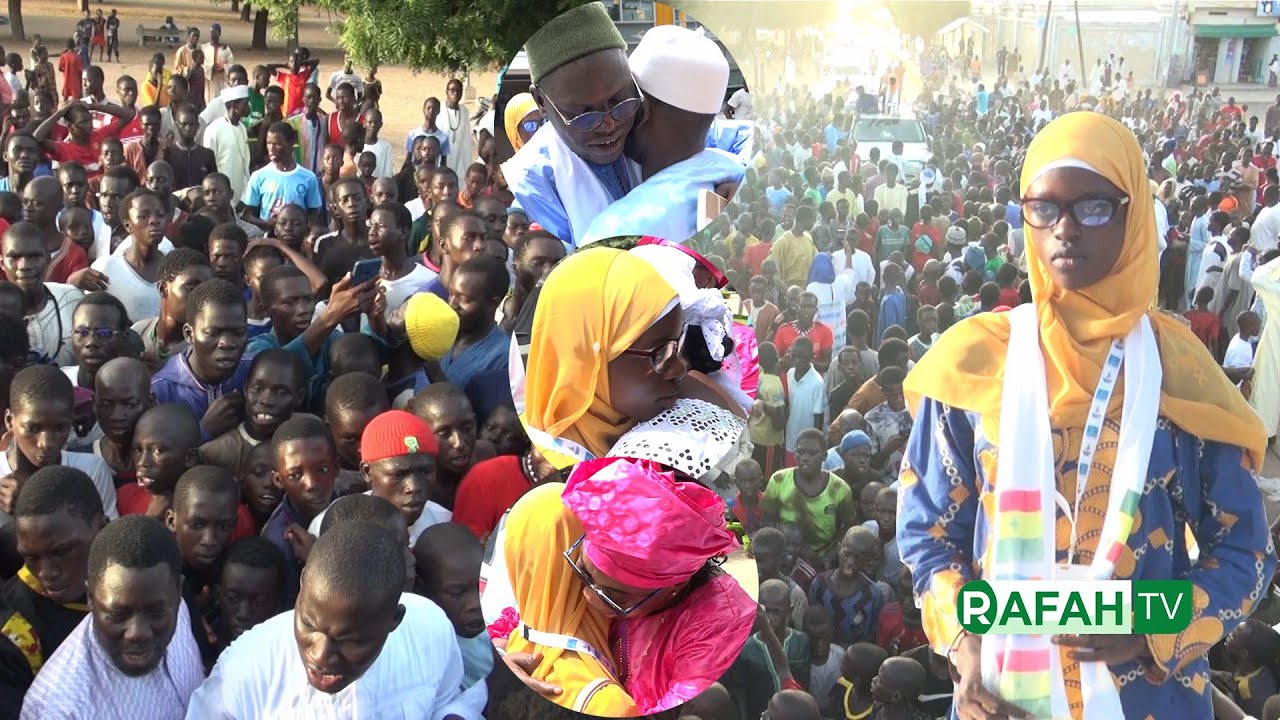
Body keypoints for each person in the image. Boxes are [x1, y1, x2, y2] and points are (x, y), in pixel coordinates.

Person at [899, 112, 1275, 719]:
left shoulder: (1181, 372)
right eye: (1044, 209)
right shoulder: (976, 363)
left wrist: (1149, 630)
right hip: (1001, 696)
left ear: (1133, 217)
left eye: (1093, 207)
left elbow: (1245, 552)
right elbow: (929, 536)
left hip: (1148, 696)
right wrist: (965, 652)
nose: (1065, 229)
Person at [499, 456, 752, 715]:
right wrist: (502, 655)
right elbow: (537, 617)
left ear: (674, 587)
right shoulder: (606, 584)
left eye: (614, 597)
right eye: (582, 574)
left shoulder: (719, 625)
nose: (588, 597)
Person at [187, 520, 482, 717]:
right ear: (303, 584)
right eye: (308, 624)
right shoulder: (247, 667)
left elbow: (447, 700)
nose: (319, 655)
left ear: (394, 620)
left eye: (349, 639)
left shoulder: (430, 631)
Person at [20, 515, 203, 719]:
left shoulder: (179, 607)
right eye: (118, 615)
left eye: (156, 613)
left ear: (178, 593)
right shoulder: (57, 710)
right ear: (90, 597)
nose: (138, 633)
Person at [578, 25, 744, 246]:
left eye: (619, 102)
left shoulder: (616, 230)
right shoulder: (735, 171)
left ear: (643, 110)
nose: (609, 117)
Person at [0, 466, 105, 716]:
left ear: (100, 526)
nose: (46, 573)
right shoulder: (14, 634)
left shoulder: (146, 584)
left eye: (61, 552)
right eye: (31, 558)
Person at [0, 365, 119, 524]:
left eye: (60, 428)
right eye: (33, 428)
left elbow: (107, 544)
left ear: (71, 421)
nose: (46, 443)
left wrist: (32, 506)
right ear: (9, 421)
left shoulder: (91, 471)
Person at [150, 278, 253, 440]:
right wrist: (204, 429)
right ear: (189, 334)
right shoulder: (161, 390)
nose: (226, 343)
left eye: (238, 332)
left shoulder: (256, 371)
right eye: (213, 333)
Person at [412, 522, 493, 692]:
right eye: (457, 593)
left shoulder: (507, 627)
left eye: (482, 586)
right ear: (422, 589)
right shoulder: (423, 652)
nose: (475, 604)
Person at [204, 85, 251, 201]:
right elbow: (208, 164)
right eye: (245, 103)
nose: (248, 107)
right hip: (219, 193)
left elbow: (245, 164)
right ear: (234, 105)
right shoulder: (214, 129)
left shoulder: (242, 128)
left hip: (240, 192)